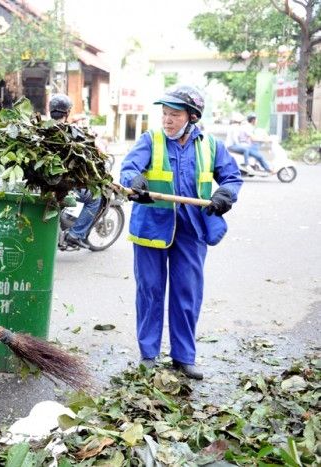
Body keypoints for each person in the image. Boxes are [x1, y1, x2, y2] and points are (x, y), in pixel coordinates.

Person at [119, 85, 242, 380]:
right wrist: (135, 180)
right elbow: (129, 168)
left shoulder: (211, 146)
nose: (167, 120)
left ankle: (183, 358)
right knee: (150, 291)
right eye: (164, 114)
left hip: (191, 229)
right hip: (152, 227)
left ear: (192, 116)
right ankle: (148, 355)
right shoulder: (151, 140)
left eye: (174, 114)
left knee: (187, 294)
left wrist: (225, 194)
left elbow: (231, 176)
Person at [49, 93, 103, 249]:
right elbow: (88, 157)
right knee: (94, 199)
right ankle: (74, 235)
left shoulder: (39, 130)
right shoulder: (71, 133)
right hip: (62, 188)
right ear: (67, 113)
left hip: (41, 185)